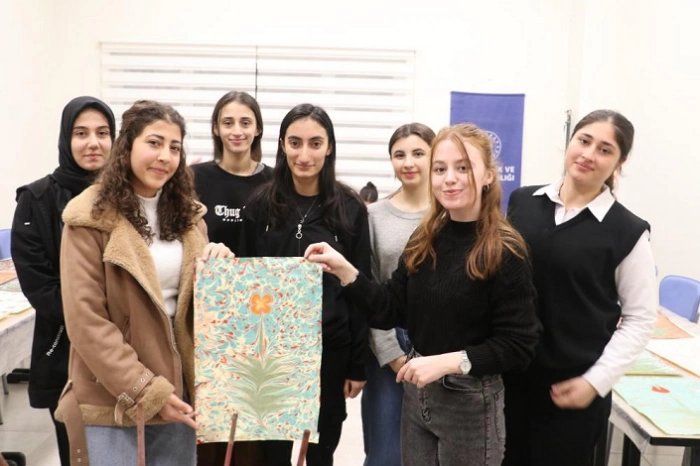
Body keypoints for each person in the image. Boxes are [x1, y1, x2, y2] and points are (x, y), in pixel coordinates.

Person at [305, 123, 540, 466]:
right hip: (418, 398)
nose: (450, 179)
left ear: (488, 175)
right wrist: (346, 272)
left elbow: (519, 344)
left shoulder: (504, 249)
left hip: (469, 404)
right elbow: (390, 308)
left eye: (463, 168)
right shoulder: (426, 237)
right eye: (440, 169)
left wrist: (447, 362)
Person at [53, 100, 233, 466]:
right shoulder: (89, 218)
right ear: (128, 145)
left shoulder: (189, 219)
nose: (165, 156)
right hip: (112, 395)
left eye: (174, 147)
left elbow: (199, 312)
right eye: (154, 143)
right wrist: (146, 390)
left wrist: (221, 269)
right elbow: (86, 321)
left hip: (178, 391)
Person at [503, 109, 657, 466]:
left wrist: (595, 382)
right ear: (569, 141)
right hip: (509, 380)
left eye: (605, 150)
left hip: (571, 391)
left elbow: (640, 319)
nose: (588, 154)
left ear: (620, 162)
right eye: (583, 141)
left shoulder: (628, 231)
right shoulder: (523, 202)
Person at [242, 103, 371, 466]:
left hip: (330, 352)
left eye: (315, 143)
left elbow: (360, 287)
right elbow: (247, 283)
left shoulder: (350, 207)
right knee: (273, 454)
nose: (304, 155)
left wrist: (356, 365)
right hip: (272, 354)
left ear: (329, 147)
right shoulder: (260, 206)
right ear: (282, 145)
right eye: (295, 143)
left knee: (319, 453)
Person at [11, 96, 116, 466]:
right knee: (78, 454)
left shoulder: (128, 197)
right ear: (65, 139)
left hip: (126, 351)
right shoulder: (37, 199)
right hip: (65, 347)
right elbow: (39, 285)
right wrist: (95, 320)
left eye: (102, 133)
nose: (93, 143)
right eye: (81, 133)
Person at [361, 123, 434, 466]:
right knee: (385, 455)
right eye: (399, 154)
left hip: (440, 346)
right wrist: (393, 356)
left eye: (418, 153)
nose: (408, 162)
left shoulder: (450, 212)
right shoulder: (373, 216)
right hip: (388, 346)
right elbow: (370, 290)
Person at [191, 91, 272, 255]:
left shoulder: (275, 181)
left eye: (245, 123)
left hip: (262, 272)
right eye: (228, 123)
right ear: (216, 128)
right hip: (209, 270)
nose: (237, 131)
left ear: (257, 129)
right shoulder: (194, 177)